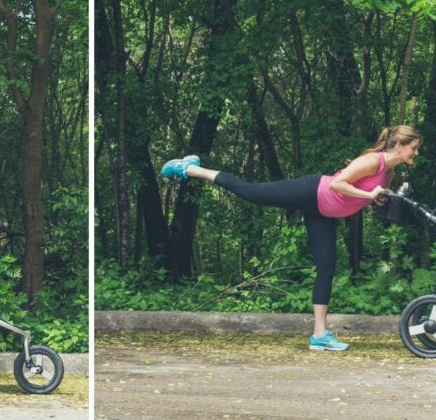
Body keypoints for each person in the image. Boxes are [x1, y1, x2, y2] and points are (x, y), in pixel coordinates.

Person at [161, 125, 421, 351]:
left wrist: (378, 197)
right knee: (252, 192)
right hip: (311, 192)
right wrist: (368, 195)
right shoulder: (373, 161)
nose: (416, 153)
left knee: (327, 266)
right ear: (399, 145)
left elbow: (363, 193)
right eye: (414, 148)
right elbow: (337, 184)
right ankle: (192, 169)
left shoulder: (388, 171)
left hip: (323, 213)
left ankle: (319, 336)